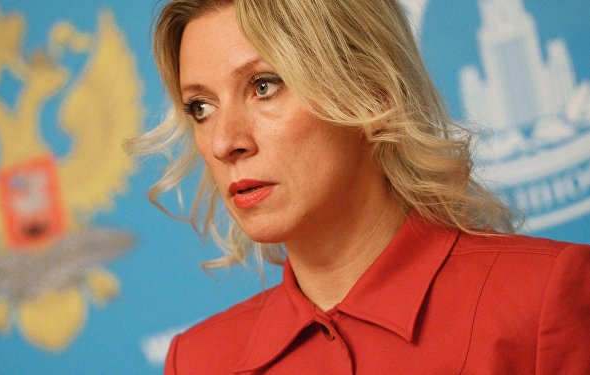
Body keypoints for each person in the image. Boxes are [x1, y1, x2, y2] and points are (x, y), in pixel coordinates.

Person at [128, 0, 590, 373]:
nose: (226, 142)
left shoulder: (545, 297)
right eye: (200, 108)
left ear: (371, 89)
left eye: (264, 86)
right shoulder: (199, 360)